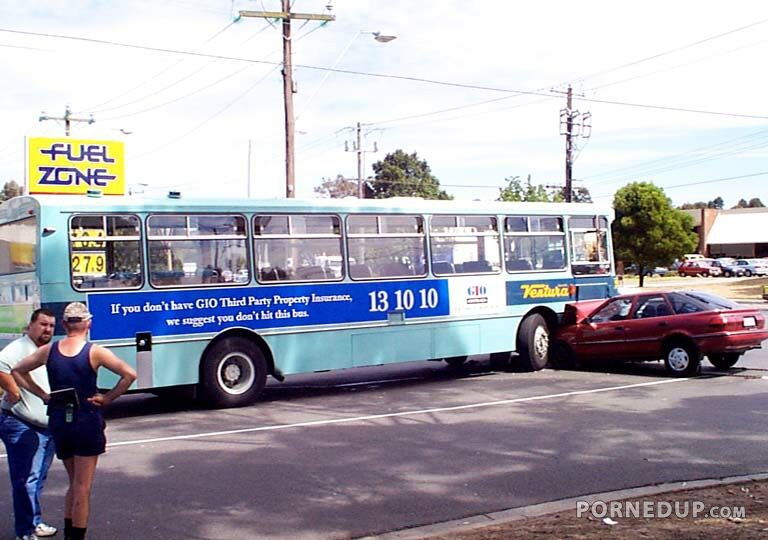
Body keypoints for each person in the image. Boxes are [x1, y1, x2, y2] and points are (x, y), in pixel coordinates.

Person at [12, 303, 136, 540]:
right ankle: (76, 536)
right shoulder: (95, 352)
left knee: (74, 481)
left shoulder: (49, 350)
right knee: (82, 487)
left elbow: (18, 370)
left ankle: (69, 533)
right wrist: (108, 398)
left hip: (60, 420)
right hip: (86, 420)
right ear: (88, 324)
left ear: (64, 324)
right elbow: (129, 374)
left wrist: (43, 395)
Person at [0, 308, 57, 540]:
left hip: (46, 426)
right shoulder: (19, 348)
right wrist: (13, 391)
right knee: (26, 481)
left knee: (37, 478)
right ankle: (24, 532)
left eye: (51, 326)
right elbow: (1, 366)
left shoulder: (43, 349)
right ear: (31, 325)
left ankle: (34, 522)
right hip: (21, 424)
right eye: (43, 324)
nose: (47, 330)